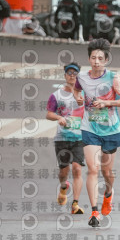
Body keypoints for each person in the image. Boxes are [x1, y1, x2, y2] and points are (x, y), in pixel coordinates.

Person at [77, 39, 120, 227]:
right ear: (89, 59)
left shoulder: (114, 78)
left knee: (106, 172)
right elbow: (77, 91)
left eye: (100, 58)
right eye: (93, 58)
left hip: (111, 130)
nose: (96, 62)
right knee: (92, 169)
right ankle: (94, 211)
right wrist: (78, 98)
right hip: (89, 128)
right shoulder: (81, 77)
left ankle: (108, 194)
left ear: (106, 60)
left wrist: (106, 103)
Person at [46, 64, 85, 215]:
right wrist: (59, 117)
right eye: (69, 73)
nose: (72, 75)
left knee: (77, 169)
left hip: (80, 138)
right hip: (62, 138)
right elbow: (49, 114)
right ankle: (63, 187)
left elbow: (95, 109)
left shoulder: (85, 94)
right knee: (64, 172)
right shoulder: (56, 95)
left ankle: (75, 204)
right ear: (65, 76)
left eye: (75, 73)